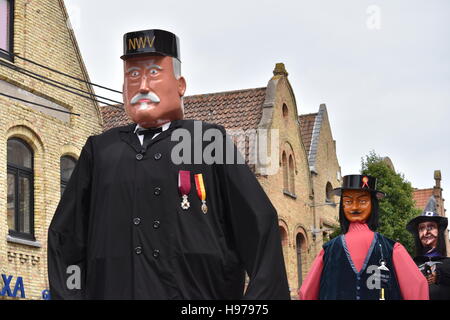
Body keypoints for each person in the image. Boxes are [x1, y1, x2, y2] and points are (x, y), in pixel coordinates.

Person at [47, 29, 290, 300]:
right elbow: (65, 239)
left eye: (153, 72)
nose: (142, 86)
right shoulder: (100, 151)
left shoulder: (206, 141)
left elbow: (259, 226)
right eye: (133, 75)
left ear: (180, 84)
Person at [299, 174, 428, 300]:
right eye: (348, 201)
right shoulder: (393, 249)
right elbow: (418, 287)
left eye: (362, 201)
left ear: (372, 204)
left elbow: (306, 293)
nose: (355, 207)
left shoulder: (328, 252)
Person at [406, 195, 450, 299]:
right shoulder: (411, 265)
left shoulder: (448, 265)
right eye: (421, 228)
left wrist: (441, 276)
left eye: (431, 227)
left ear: (439, 231)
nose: (426, 232)